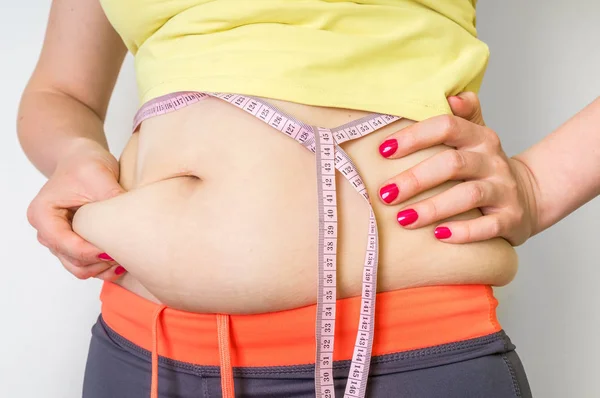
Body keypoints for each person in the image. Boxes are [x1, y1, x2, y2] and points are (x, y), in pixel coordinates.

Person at [16, 0, 599, 397]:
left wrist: (538, 183)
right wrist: (73, 153)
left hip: (408, 358)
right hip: (144, 355)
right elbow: (60, 90)